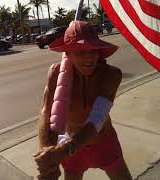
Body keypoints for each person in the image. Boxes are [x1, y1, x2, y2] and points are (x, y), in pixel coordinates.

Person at [33, 21, 133, 180]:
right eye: (80, 51)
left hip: (103, 143)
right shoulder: (56, 73)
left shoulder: (110, 75)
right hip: (70, 148)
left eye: (92, 50)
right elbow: (46, 111)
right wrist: (48, 157)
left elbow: (96, 120)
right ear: (67, 53)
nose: (89, 57)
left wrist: (63, 151)